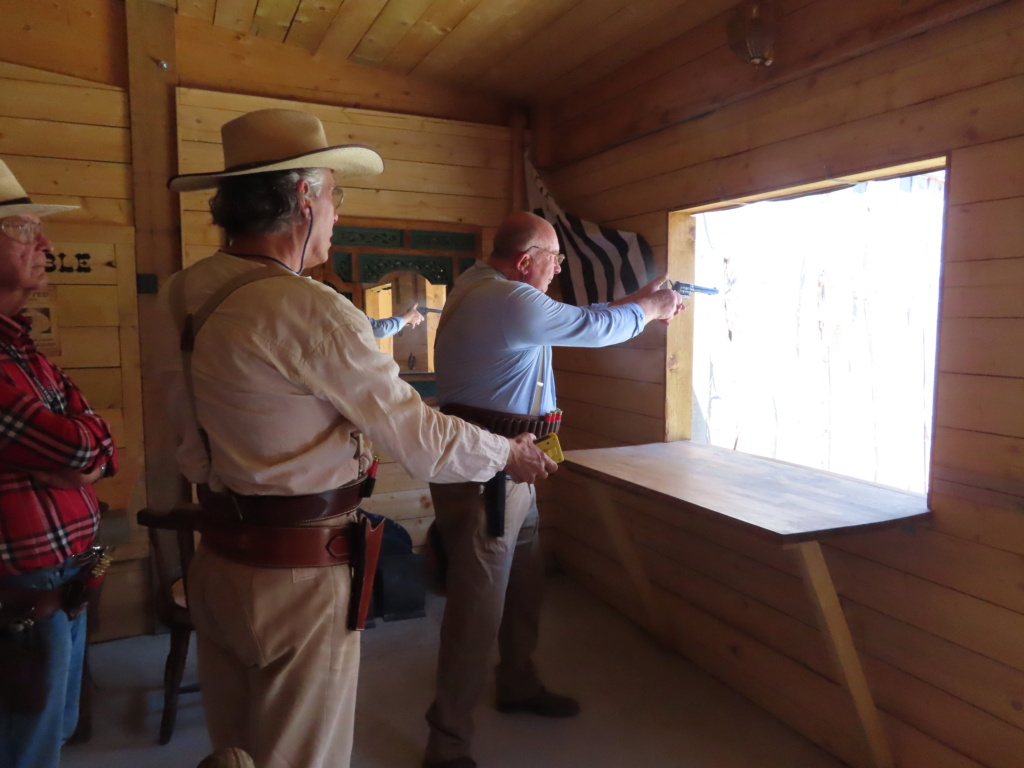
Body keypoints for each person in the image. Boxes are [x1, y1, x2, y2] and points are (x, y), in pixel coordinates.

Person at [154, 109, 555, 768]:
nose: (338, 213)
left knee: (235, 751)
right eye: (336, 195)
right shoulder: (311, 310)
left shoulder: (179, 293)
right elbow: (418, 438)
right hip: (296, 574)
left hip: (216, 557)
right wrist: (507, 452)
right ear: (303, 198)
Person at [423, 211, 684, 768]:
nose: (560, 268)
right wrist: (653, 308)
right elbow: (592, 329)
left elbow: (579, 315)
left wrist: (635, 297)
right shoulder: (508, 300)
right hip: (491, 472)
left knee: (524, 579)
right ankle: (447, 744)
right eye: (554, 259)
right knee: (478, 608)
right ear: (524, 261)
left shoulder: (490, 290)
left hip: (514, 466)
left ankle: (517, 682)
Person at [0, 159, 118, 768]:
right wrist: (85, 450)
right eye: (22, 229)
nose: (44, 244)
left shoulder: (19, 343)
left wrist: (86, 450)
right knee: (26, 748)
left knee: (51, 737)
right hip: (23, 592)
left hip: (61, 579)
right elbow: (79, 447)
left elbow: (99, 441)